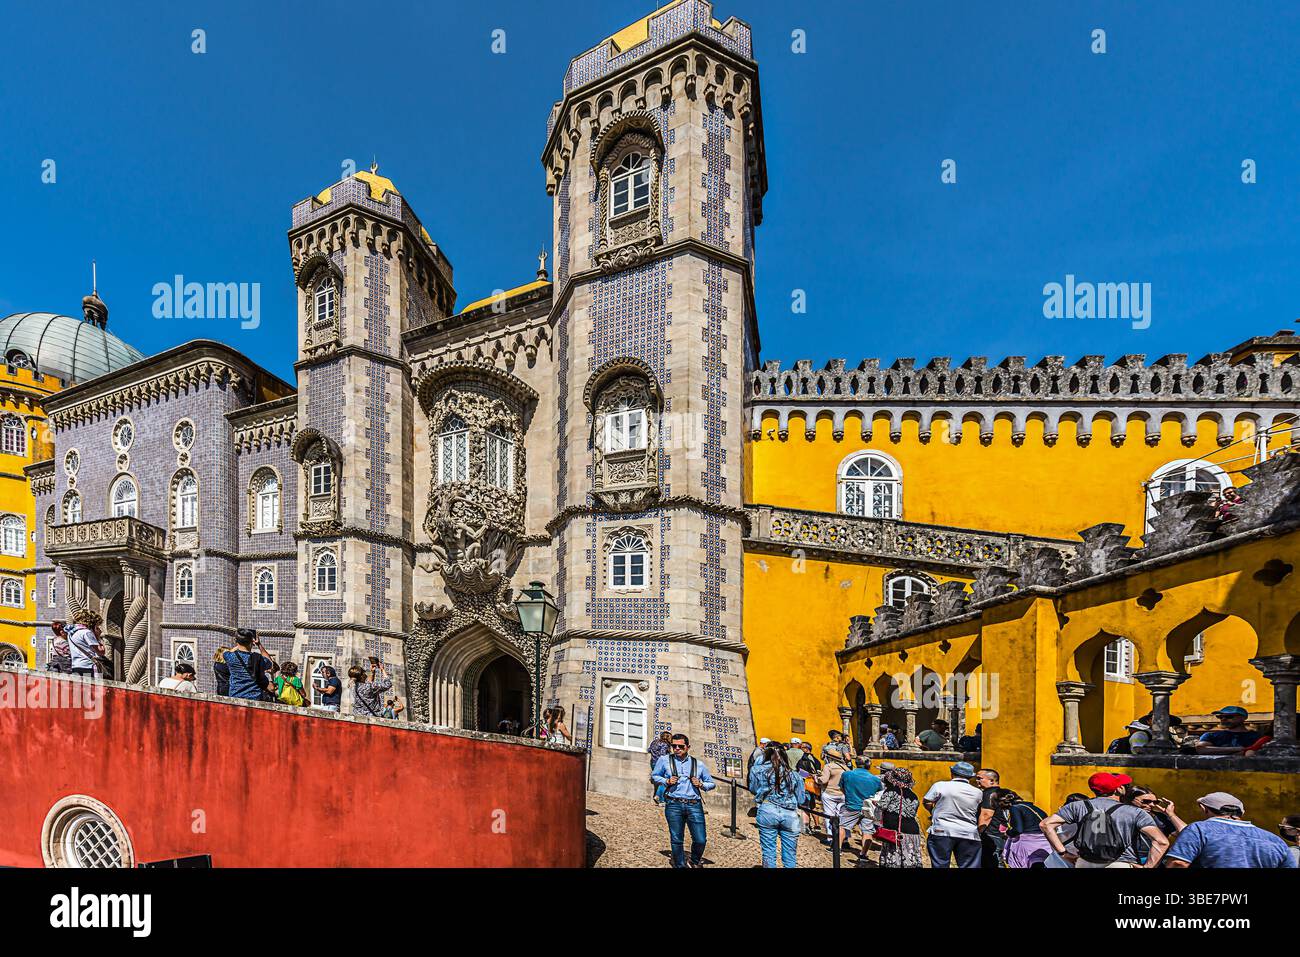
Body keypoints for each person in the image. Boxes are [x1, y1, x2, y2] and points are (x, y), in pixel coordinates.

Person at [1039, 772, 1168, 868]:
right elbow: (1162, 842)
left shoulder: (1077, 806)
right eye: (1124, 785)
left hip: (1085, 863)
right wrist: (1148, 867)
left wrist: (1063, 854)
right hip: (1120, 863)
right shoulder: (1134, 812)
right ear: (1118, 789)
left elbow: (1046, 824)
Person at [1165, 792, 1296, 868]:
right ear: (1241, 813)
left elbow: (1178, 863)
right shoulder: (1275, 840)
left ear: (1204, 809)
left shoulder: (1199, 829)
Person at [651, 733, 716, 868]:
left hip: (694, 804)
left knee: (700, 839)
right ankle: (679, 864)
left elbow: (711, 783)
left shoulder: (698, 764)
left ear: (688, 747)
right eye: (674, 746)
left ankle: (694, 860)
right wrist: (666, 781)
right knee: (676, 839)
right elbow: (654, 776)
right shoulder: (664, 760)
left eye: (680, 746)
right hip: (673, 803)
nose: (677, 749)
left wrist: (702, 785)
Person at [749, 742, 805, 868]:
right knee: (790, 854)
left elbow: (753, 789)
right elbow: (801, 800)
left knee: (768, 852)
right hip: (790, 813)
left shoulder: (756, 770)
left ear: (766, 755)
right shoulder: (795, 775)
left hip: (767, 810)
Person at [922, 761, 983, 868]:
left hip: (942, 830)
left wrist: (933, 811)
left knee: (940, 865)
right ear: (970, 777)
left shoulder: (940, 785)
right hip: (969, 832)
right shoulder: (977, 792)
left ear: (952, 773)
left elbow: (927, 801)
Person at [875, 763, 923, 868]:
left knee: (894, 858)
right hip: (912, 831)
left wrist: (875, 804)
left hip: (895, 831)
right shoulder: (913, 795)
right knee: (909, 859)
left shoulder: (891, 791)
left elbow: (881, 806)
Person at [839, 755, 883, 858]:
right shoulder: (875, 779)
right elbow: (878, 793)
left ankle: (838, 850)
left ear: (856, 763)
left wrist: (849, 796)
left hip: (851, 805)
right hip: (868, 808)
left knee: (842, 827)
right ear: (869, 765)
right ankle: (863, 854)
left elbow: (842, 788)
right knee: (867, 831)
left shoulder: (847, 774)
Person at [997, 790, 1052, 868]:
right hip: (1044, 845)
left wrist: (1008, 833)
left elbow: (1018, 830)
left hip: (1026, 846)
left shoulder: (1015, 808)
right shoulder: (1036, 808)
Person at [224, 629, 274, 701]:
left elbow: (228, 652)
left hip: (235, 697)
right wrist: (259, 644)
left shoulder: (229, 656)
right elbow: (270, 662)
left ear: (236, 641)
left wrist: (239, 642)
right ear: (252, 642)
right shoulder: (258, 658)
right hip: (255, 698)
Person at [974, 767, 1009, 868]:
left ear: (992, 781)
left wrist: (978, 834)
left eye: (979, 778)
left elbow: (986, 816)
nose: (976, 781)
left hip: (991, 835)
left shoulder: (989, 793)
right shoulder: (1007, 793)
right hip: (1005, 835)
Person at [1195, 705, 1263, 754]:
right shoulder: (1211, 735)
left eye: (1229, 716)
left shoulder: (1257, 737)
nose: (1223, 719)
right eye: (1220, 717)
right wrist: (1237, 749)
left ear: (1242, 718)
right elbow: (1201, 749)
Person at [816, 754, 848, 846]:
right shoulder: (845, 768)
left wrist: (817, 778)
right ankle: (844, 839)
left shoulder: (828, 766)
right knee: (842, 817)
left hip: (830, 793)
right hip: (842, 794)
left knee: (829, 815)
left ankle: (830, 838)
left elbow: (823, 780)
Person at [66, 610, 106, 678]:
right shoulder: (86, 632)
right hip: (89, 666)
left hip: (76, 666)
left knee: (80, 688)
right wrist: (98, 638)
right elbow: (101, 651)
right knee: (94, 688)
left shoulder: (71, 633)